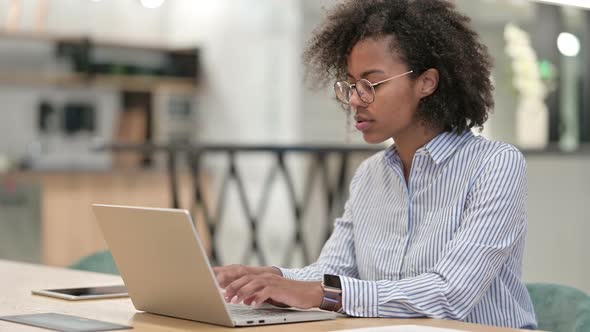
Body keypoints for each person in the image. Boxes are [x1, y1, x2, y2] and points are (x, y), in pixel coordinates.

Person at [213, 0, 537, 329]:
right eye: (352, 85)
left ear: (427, 82)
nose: (355, 99)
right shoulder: (371, 175)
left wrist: (320, 292)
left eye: (372, 84)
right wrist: (269, 280)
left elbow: (448, 294)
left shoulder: (495, 166)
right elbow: (335, 272)